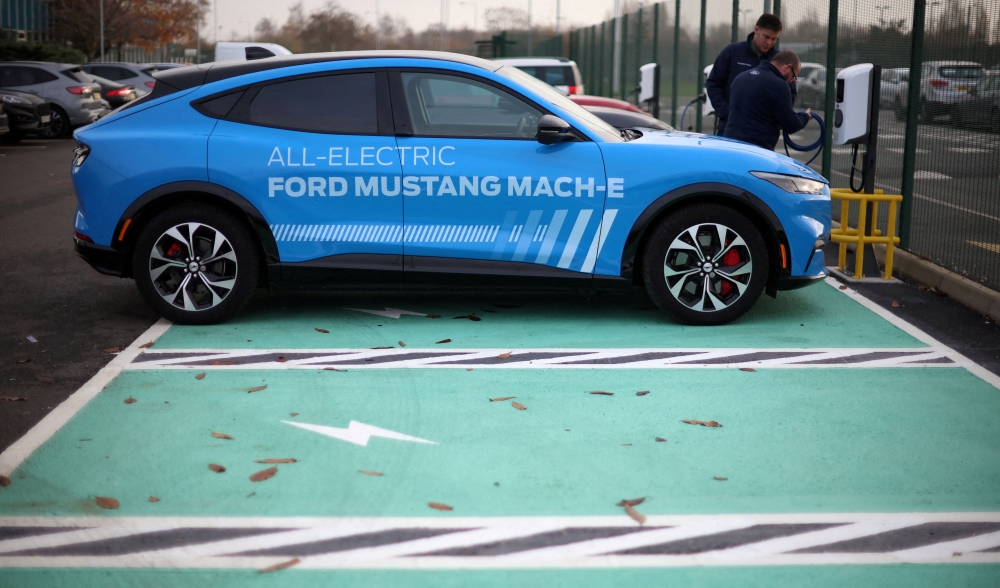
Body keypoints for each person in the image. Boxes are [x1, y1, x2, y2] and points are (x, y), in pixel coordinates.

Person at [705, 13, 785, 136]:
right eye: (766, 37)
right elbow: (713, 83)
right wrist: (725, 112)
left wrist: (777, 120)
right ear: (756, 30)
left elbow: (790, 88)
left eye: (774, 39)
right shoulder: (732, 52)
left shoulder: (779, 60)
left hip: (763, 134)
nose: (769, 43)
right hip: (729, 129)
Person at [722, 50, 811, 151]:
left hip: (730, 144)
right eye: (793, 76)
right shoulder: (779, 85)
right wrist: (805, 116)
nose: (792, 81)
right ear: (787, 68)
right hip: (757, 149)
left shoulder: (740, 77)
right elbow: (791, 124)